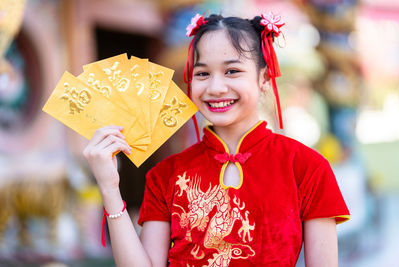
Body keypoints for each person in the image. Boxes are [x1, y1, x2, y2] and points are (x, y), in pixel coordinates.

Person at [83, 13, 350, 267]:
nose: (215, 87)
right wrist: (109, 187)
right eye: (202, 74)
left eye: (232, 71)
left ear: (265, 79)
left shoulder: (307, 168)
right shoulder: (165, 175)